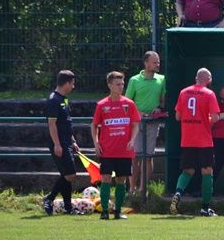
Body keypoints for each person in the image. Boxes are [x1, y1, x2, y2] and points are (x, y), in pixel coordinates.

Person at [171, 68, 221, 216]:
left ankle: (178, 193)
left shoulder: (183, 92)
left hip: (187, 139)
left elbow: (178, 117)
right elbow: (215, 118)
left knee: (187, 171)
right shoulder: (209, 94)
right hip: (204, 140)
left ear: (196, 78)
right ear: (209, 79)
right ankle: (205, 208)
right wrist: (207, 120)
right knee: (207, 172)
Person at [91, 71, 141, 220]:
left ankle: (118, 211)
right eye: (118, 84)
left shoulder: (129, 104)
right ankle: (104, 212)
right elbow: (94, 125)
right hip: (107, 150)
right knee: (106, 179)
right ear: (109, 85)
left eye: (122, 84)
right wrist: (96, 143)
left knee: (121, 180)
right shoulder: (102, 105)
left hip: (124, 151)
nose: (121, 86)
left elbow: (135, 124)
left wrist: (132, 140)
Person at [125, 50, 166, 193]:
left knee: (148, 156)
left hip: (153, 123)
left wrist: (159, 108)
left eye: (158, 62)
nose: (158, 64)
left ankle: (143, 189)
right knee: (135, 156)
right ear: (146, 63)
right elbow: (127, 102)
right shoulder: (134, 80)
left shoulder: (162, 79)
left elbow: (163, 99)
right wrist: (138, 113)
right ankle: (131, 189)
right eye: (155, 62)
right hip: (137, 123)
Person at [42, 70, 82, 215]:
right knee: (70, 175)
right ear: (66, 83)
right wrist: (57, 144)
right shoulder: (53, 100)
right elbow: (51, 124)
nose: (73, 86)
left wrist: (73, 141)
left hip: (67, 142)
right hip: (59, 143)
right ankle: (49, 198)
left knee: (67, 176)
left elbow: (66, 122)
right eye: (72, 83)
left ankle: (68, 208)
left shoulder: (64, 99)